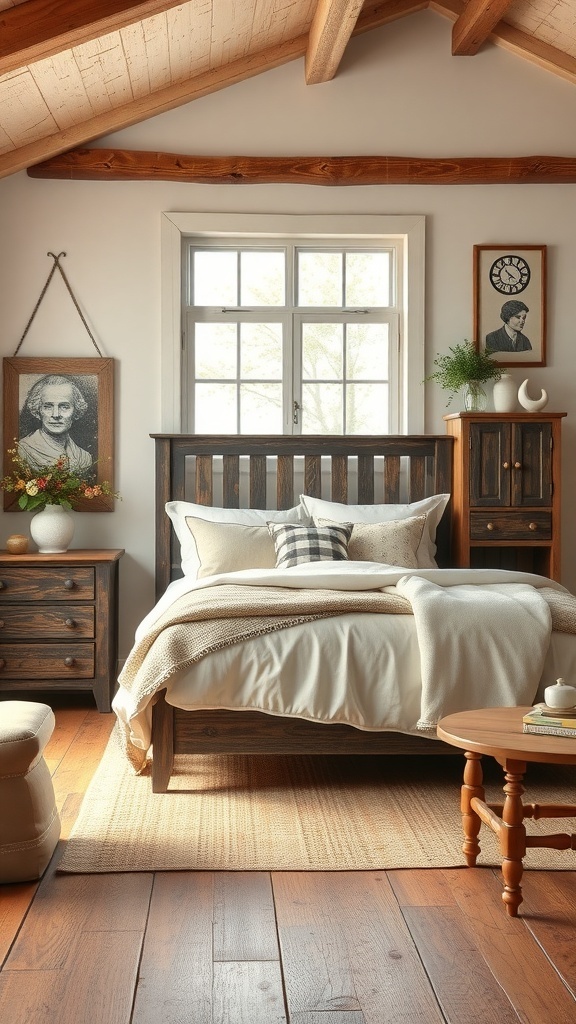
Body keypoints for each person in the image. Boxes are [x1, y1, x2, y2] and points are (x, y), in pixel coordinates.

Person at [18, 375, 93, 474]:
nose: (56, 414)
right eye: (48, 407)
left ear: (76, 410)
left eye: (64, 407)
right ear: (38, 410)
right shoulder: (24, 450)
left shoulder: (84, 457)